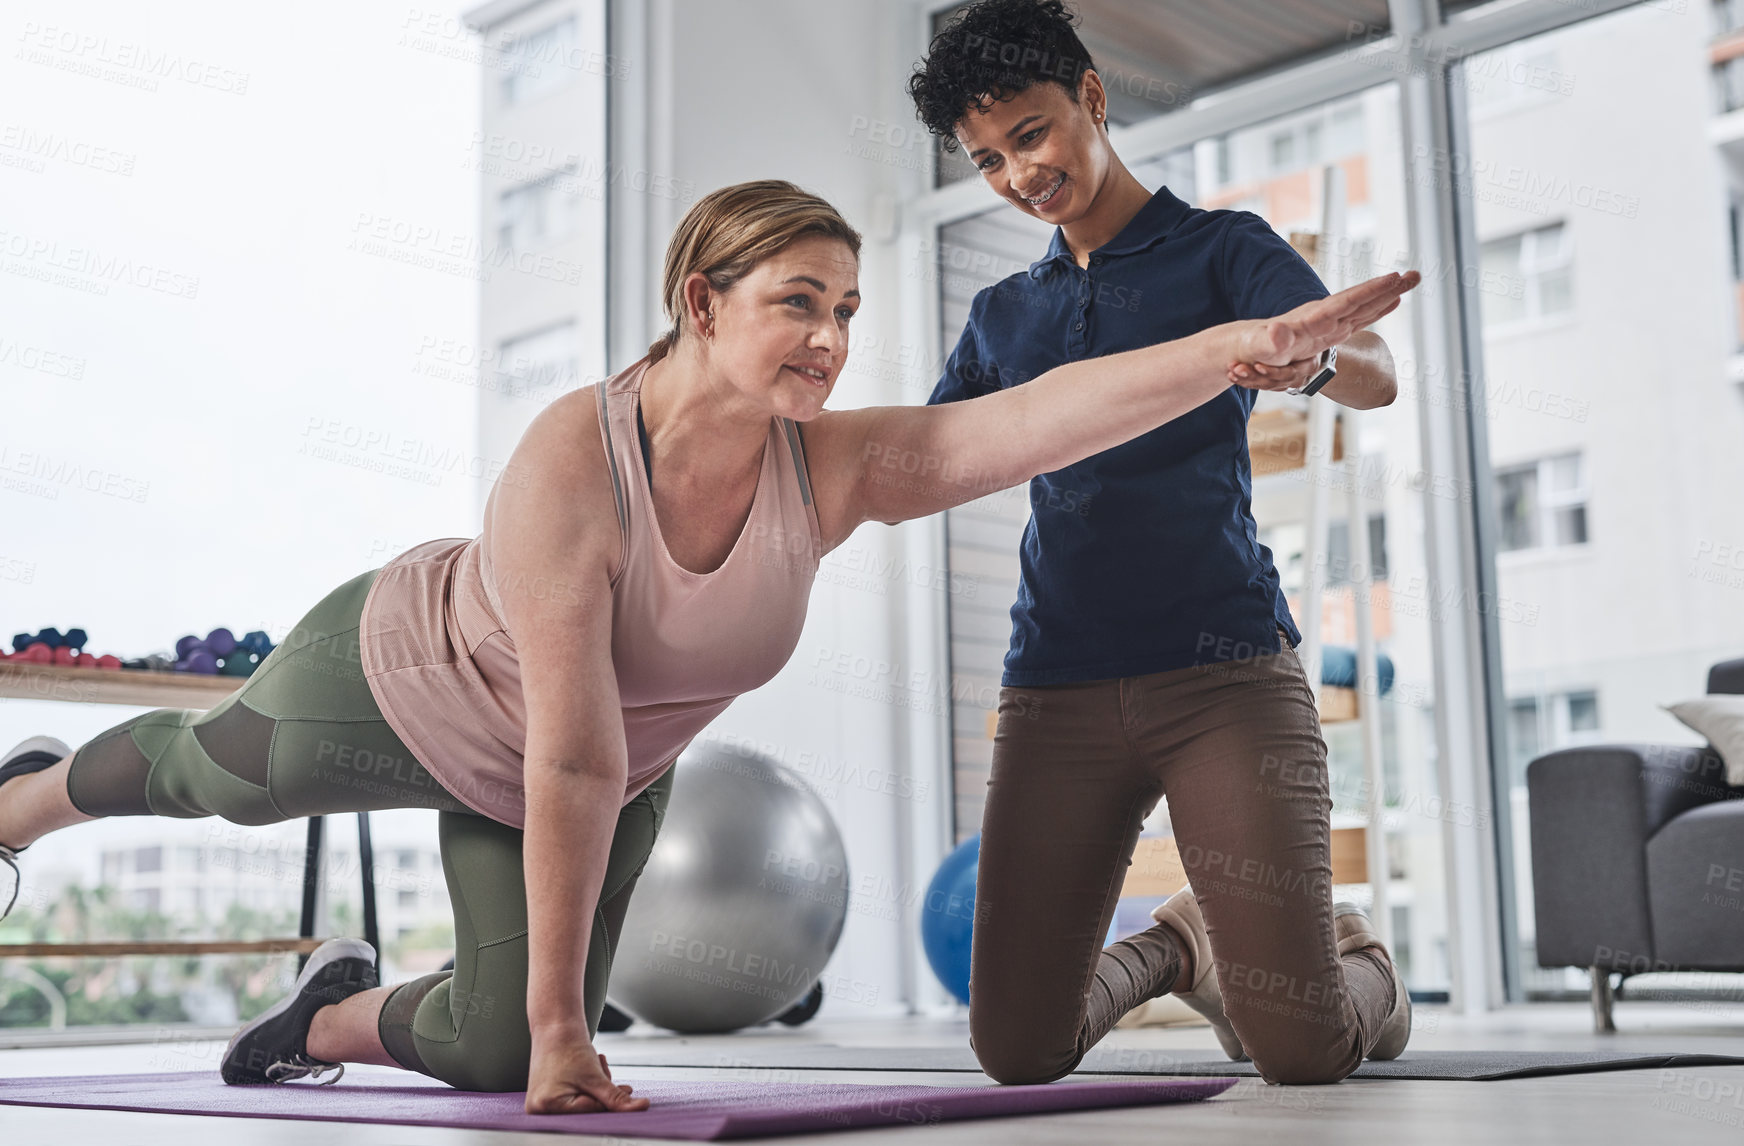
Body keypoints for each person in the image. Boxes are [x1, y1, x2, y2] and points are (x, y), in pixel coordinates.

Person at [0, 177, 1414, 1113]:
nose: (829, 337)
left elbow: (1032, 418)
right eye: (798, 300)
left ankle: (317, 1020)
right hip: (407, 683)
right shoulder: (576, 453)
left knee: (494, 1047)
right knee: (213, 777)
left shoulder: (833, 465)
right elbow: (562, 750)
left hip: (601, 768)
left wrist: (1238, 347)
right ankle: (31, 792)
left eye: (847, 309)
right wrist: (575, 1032)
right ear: (701, 304)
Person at [906, 0, 1414, 1086]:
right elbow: (931, 459)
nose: (1015, 176)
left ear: (1090, 95)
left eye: (1030, 135)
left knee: (1302, 1049)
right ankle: (1176, 948)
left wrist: (1307, 362)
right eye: (986, 160)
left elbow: (1369, 370)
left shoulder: (1224, 248)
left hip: (1224, 676)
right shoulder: (1001, 314)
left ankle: (1365, 960)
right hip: (1054, 688)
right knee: (1017, 1049)